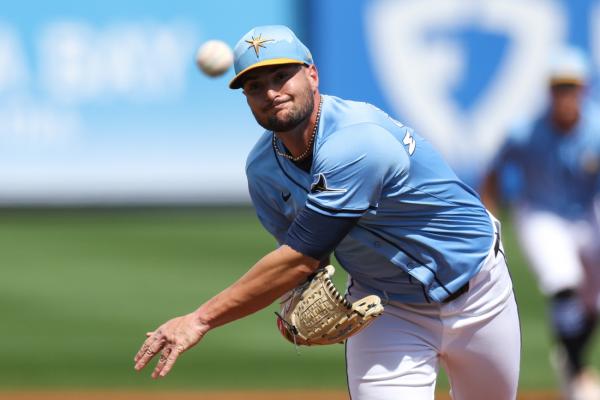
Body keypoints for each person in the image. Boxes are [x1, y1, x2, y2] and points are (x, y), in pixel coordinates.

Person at [134, 25, 521, 400]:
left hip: (478, 290)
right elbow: (306, 264)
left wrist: (200, 319)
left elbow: (298, 257)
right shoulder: (263, 171)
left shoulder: (357, 140)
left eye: (282, 76)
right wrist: (298, 298)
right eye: (255, 86)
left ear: (313, 76)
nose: (271, 92)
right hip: (389, 310)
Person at [481, 47, 600, 400]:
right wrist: (489, 215)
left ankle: (570, 356)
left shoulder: (596, 129)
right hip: (541, 214)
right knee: (563, 284)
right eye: (558, 87)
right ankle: (578, 371)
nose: (564, 94)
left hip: (585, 215)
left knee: (593, 302)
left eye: (571, 86)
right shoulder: (525, 131)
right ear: (549, 91)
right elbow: (493, 170)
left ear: (584, 89)